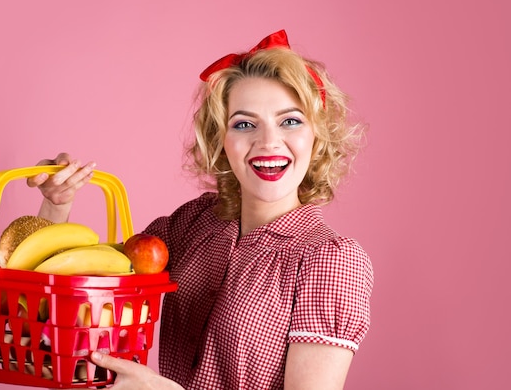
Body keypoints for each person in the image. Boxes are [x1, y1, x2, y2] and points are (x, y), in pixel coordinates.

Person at [28, 29, 374, 390]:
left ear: (317, 136)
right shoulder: (192, 224)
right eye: (244, 124)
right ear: (221, 141)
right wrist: (57, 202)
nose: (268, 141)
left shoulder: (331, 261)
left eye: (290, 121)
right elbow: (73, 286)